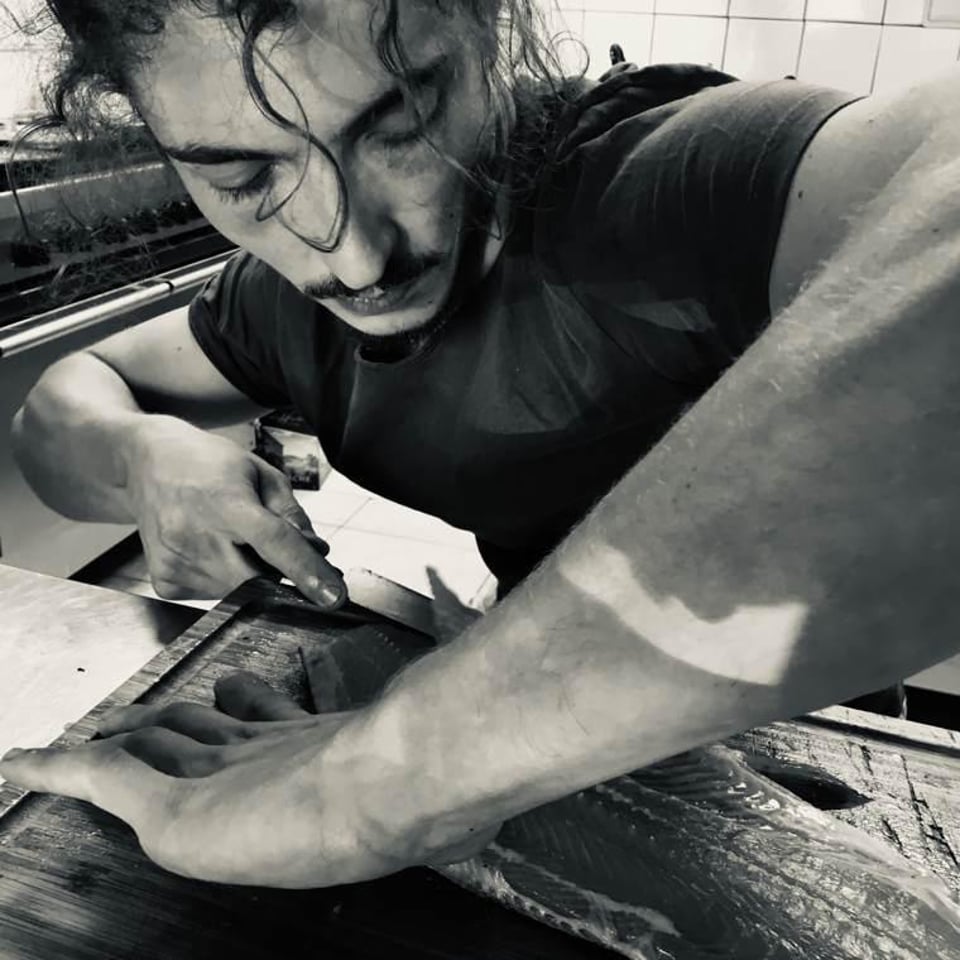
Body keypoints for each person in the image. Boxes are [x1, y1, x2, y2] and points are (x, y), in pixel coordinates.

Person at [2, 0, 958, 888]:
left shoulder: (672, 185)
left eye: (401, 126)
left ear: (483, 25)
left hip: (806, 750)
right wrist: (143, 458)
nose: (352, 255)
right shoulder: (279, 306)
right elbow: (57, 412)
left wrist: (384, 780)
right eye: (243, 176)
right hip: (529, 744)